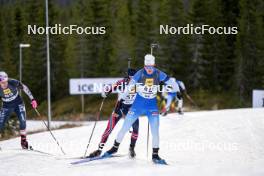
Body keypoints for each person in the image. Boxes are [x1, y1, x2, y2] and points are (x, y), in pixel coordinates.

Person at [103, 54, 180, 164]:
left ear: (154, 65)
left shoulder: (159, 73)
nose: (149, 69)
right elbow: (129, 88)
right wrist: (121, 100)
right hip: (137, 105)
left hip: (151, 106)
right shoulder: (139, 74)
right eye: (147, 67)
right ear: (144, 65)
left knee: (155, 131)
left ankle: (155, 155)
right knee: (125, 127)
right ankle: (114, 148)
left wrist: (177, 92)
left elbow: (171, 82)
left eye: (151, 67)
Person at [87, 68, 139, 158]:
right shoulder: (121, 82)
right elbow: (110, 87)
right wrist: (106, 92)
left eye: (134, 78)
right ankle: (99, 150)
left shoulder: (138, 84)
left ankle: (132, 148)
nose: (132, 80)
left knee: (136, 128)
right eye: (130, 78)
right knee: (109, 129)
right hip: (119, 108)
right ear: (127, 76)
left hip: (131, 109)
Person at [0, 71, 37, 149]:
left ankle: (23, 141)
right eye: (2, 83)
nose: (4, 84)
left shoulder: (13, 82)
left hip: (18, 103)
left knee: (23, 121)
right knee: (0, 123)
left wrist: (32, 99)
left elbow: (25, 88)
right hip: (6, 106)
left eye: (5, 82)